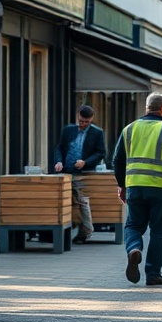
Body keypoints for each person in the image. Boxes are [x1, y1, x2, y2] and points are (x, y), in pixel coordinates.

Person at [113, 93, 162, 286]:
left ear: (146, 108)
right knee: (158, 232)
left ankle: (134, 249)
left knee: (133, 226)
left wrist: (121, 184)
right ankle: (153, 274)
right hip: (161, 189)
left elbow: (117, 160)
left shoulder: (129, 130)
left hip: (135, 187)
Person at [52, 104, 107, 244]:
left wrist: (85, 162)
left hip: (82, 172)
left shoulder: (97, 132)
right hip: (65, 170)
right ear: (78, 116)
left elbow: (101, 152)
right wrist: (58, 162)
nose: (83, 124)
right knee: (60, 200)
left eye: (87, 122)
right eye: (81, 121)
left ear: (92, 119)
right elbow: (59, 147)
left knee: (82, 200)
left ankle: (87, 229)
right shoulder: (68, 130)